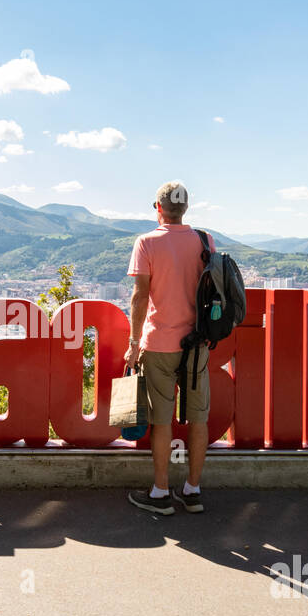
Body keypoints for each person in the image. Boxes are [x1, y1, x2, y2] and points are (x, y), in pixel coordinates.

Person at [124, 181, 211, 515]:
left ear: (157, 207)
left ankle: (160, 493)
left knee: (162, 421)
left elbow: (140, 296)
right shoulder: (205, 241)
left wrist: (133, 343)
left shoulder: (146, 242)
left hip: (159, 344)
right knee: (198, 420)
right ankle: (192, 491)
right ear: (185, 208)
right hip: (197, 344)